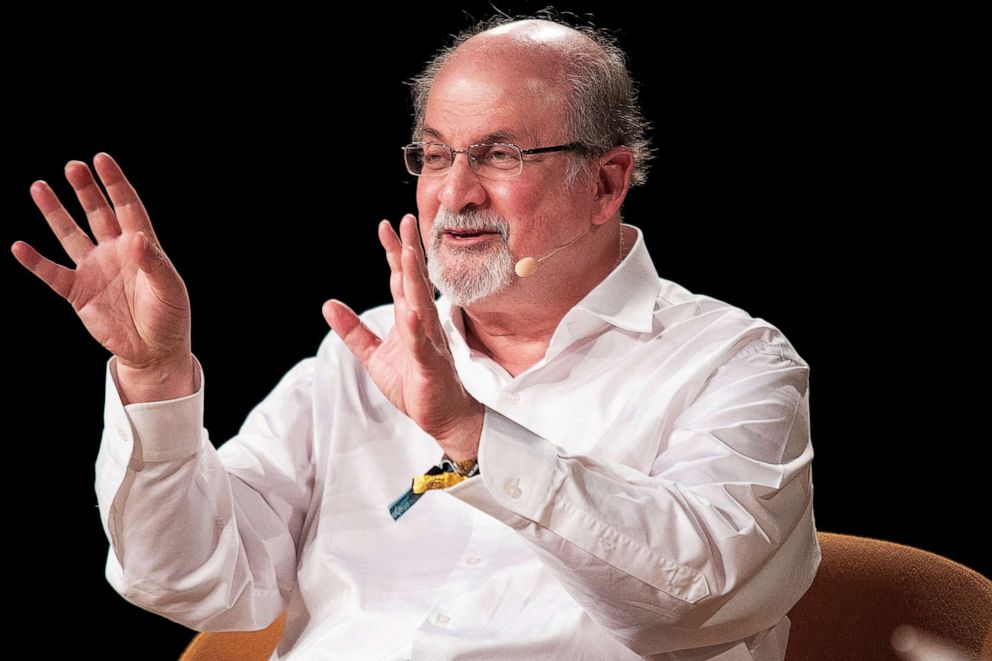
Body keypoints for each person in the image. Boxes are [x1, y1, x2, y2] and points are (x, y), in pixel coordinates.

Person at [11, 13, 820, 661]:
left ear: (606, 181)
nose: (454, 193)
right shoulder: (364, 349)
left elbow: (701, 595)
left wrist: (470, 436)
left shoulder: (734, 362)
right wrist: (153, 378)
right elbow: (196, 579)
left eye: (498, 154)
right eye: (434, 156)